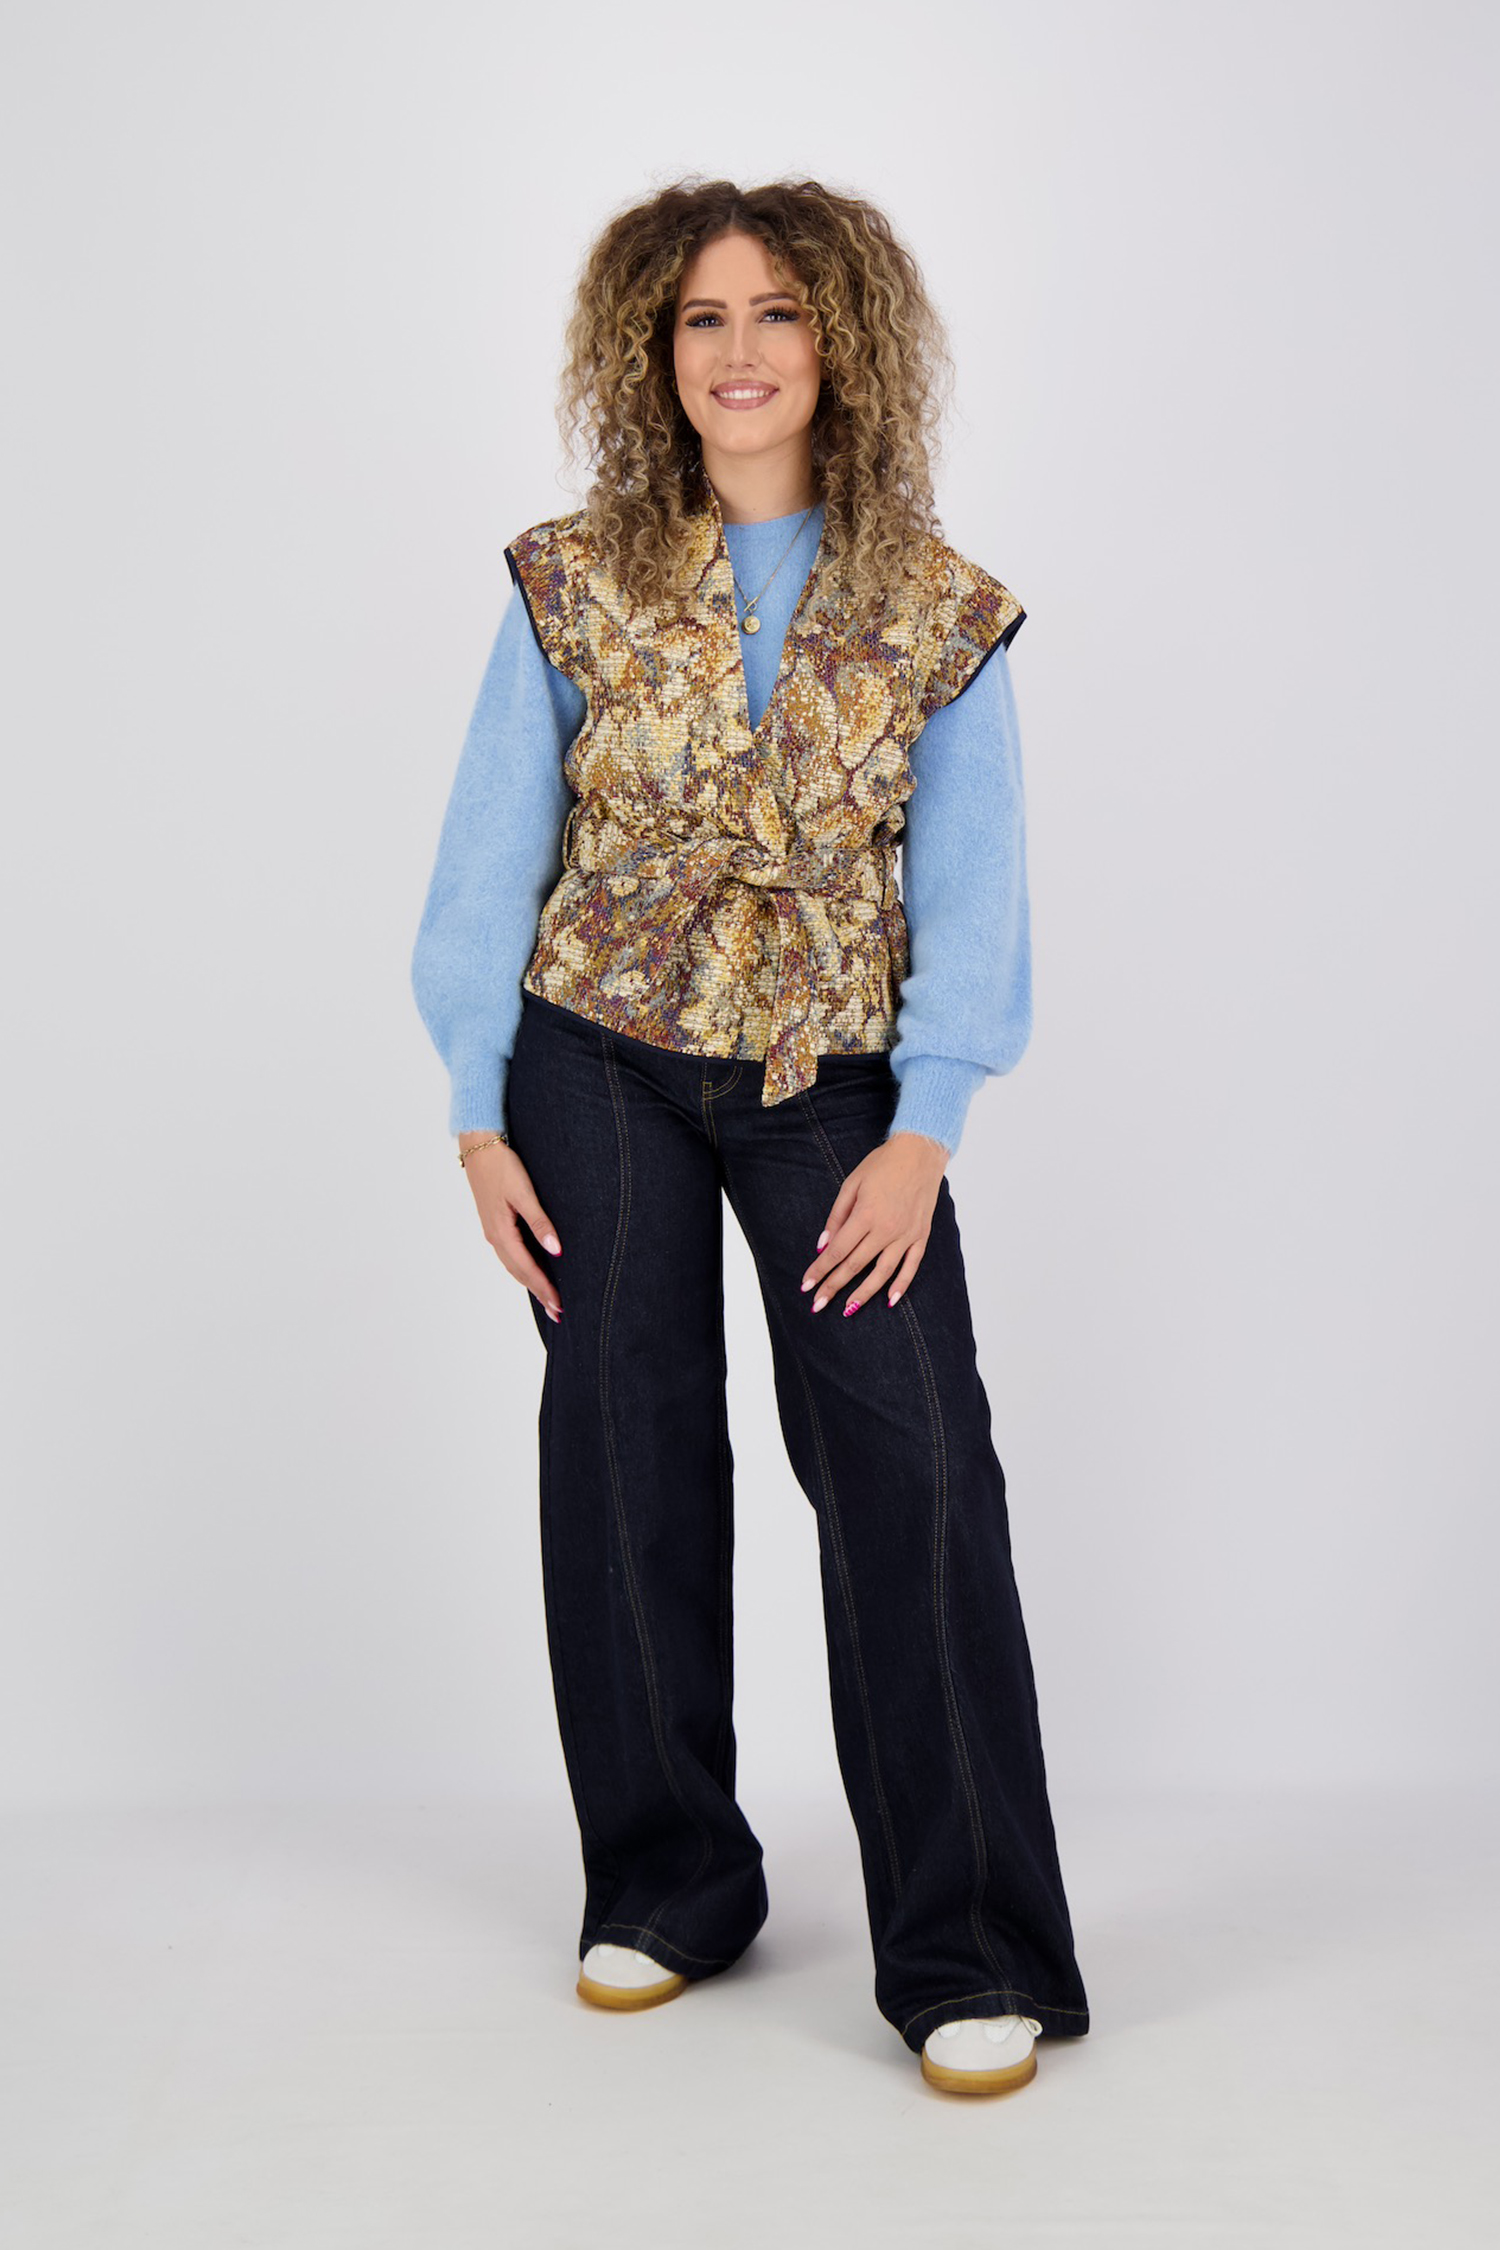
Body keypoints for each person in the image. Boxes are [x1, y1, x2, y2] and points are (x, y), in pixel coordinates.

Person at [411, 177, 1090, 2098]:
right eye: (703, 317)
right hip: (592, 1061)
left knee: (911, 1465)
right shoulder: (572, 577)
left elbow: (976, 886)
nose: (740, 351)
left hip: (837, 1086)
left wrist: (928, 1125)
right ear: (655, 350)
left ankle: (968, 1943)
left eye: (778, 313)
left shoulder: (934, 604)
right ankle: (670, 1879)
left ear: (840, 345)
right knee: (621, 1445)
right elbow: (490, 849)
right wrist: (476, 1112)